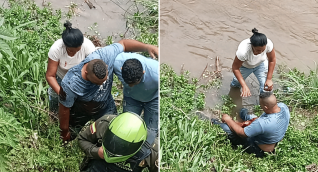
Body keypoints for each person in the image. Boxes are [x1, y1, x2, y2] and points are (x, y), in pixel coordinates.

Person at [58, 39, 158, 141]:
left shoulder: (106, 55)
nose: (101, 85)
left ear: (106, 66)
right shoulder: (71, 84)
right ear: (86, 72)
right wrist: (64, 130)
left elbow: (124, 44)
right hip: (82, 110)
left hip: (106, 106)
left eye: (104, 80)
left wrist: (147, 47)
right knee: (70, 135)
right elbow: (64, 109)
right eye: (97, 83)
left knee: (112, 133)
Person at [212, 92, 290, 157]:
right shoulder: (283, 107)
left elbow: (241, 133)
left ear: (266, 107)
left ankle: (212, 121)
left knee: (226, 128)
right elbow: (262, 120)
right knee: (247, 115)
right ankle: (240, 110)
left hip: (258, 148)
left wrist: (228, 120)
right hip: (272, 136)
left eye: (261, 105)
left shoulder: (263, 123)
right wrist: (248, 122)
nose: (260, 106)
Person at [78, 112, 158, 172]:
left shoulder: (152, 151)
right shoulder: (103, 124)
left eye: (122, 147)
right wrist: (96, 152)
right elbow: (82, 139)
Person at [46, 21, 96, 113]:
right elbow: (50, 76)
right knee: (54, 96)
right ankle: (52, 113)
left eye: (78, 50)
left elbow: (93, 69)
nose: (75, 53)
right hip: (60, 77)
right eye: (71, 51)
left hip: (80, 78)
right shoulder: (56, 49)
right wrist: (60, 92)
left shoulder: (88, 47)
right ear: (65, 46)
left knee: (78, 101)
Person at [113, 53, 158, 133]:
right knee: (126, 126)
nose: (130, 86)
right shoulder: (116, 62)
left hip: (153, 99)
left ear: (143, 72)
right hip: (131, 97)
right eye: (128, 83)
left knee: (151, 130)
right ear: (121, 69)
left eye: (134, 83)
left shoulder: (156, 74)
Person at [231, 28, 276, 97]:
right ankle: (233, 94)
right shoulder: (243, 52)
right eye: (258, 50)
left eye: (262, 50)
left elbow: (272, 60)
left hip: (260, 64)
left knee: (266, 87)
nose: (260, 52)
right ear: (252, 46)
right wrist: (244, 86)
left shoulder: (268, 44)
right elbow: (235, 68)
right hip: (245, 66)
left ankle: (263, 103)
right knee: (236, 83)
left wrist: (269, 79)